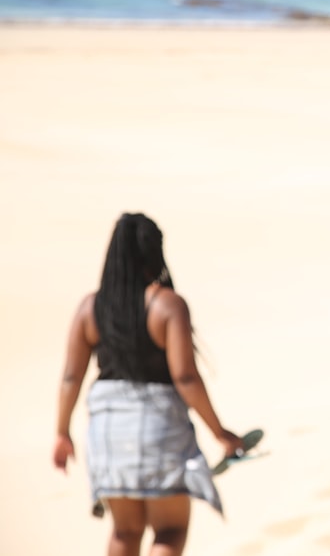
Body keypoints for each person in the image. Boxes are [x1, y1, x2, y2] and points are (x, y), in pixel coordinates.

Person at [54, 213, 245, 556]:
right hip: (158, 426)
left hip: (107, 431)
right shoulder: (167, 305)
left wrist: (62, 432)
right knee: (169, 532)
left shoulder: (90, 308)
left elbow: (71, 376)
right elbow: (185, 377)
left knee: (124, 533)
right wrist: (219, 432)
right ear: (154, 254)